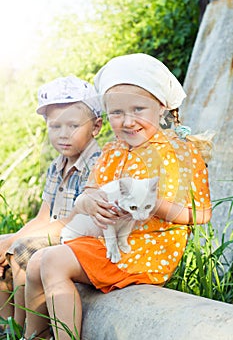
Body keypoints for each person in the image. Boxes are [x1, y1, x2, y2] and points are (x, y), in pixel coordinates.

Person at [23, 54, 212, 340]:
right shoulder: (114, 150)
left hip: (146, 250)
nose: (128, 121)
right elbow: (86, 195)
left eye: (138, 109)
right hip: (107, 239)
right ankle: (32, 336)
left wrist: (156, 207)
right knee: (37, 261)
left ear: (161, 107)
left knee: (53, 262)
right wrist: (90, 203)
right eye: (116, 113)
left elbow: (201, 215)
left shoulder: (177, 152)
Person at [0, 76, 102, 329]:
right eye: (55, 127)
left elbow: (74, 222)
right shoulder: (57, 166)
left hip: (80, 237)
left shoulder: (98, 164)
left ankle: (26, 328)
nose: (63, 135)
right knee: (1, 245)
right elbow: (44, 217)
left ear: (96, 126)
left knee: (21, 249)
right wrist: (6, 242)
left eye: (73, 126)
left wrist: (14, 243)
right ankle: (6, 324)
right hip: (56, 232)